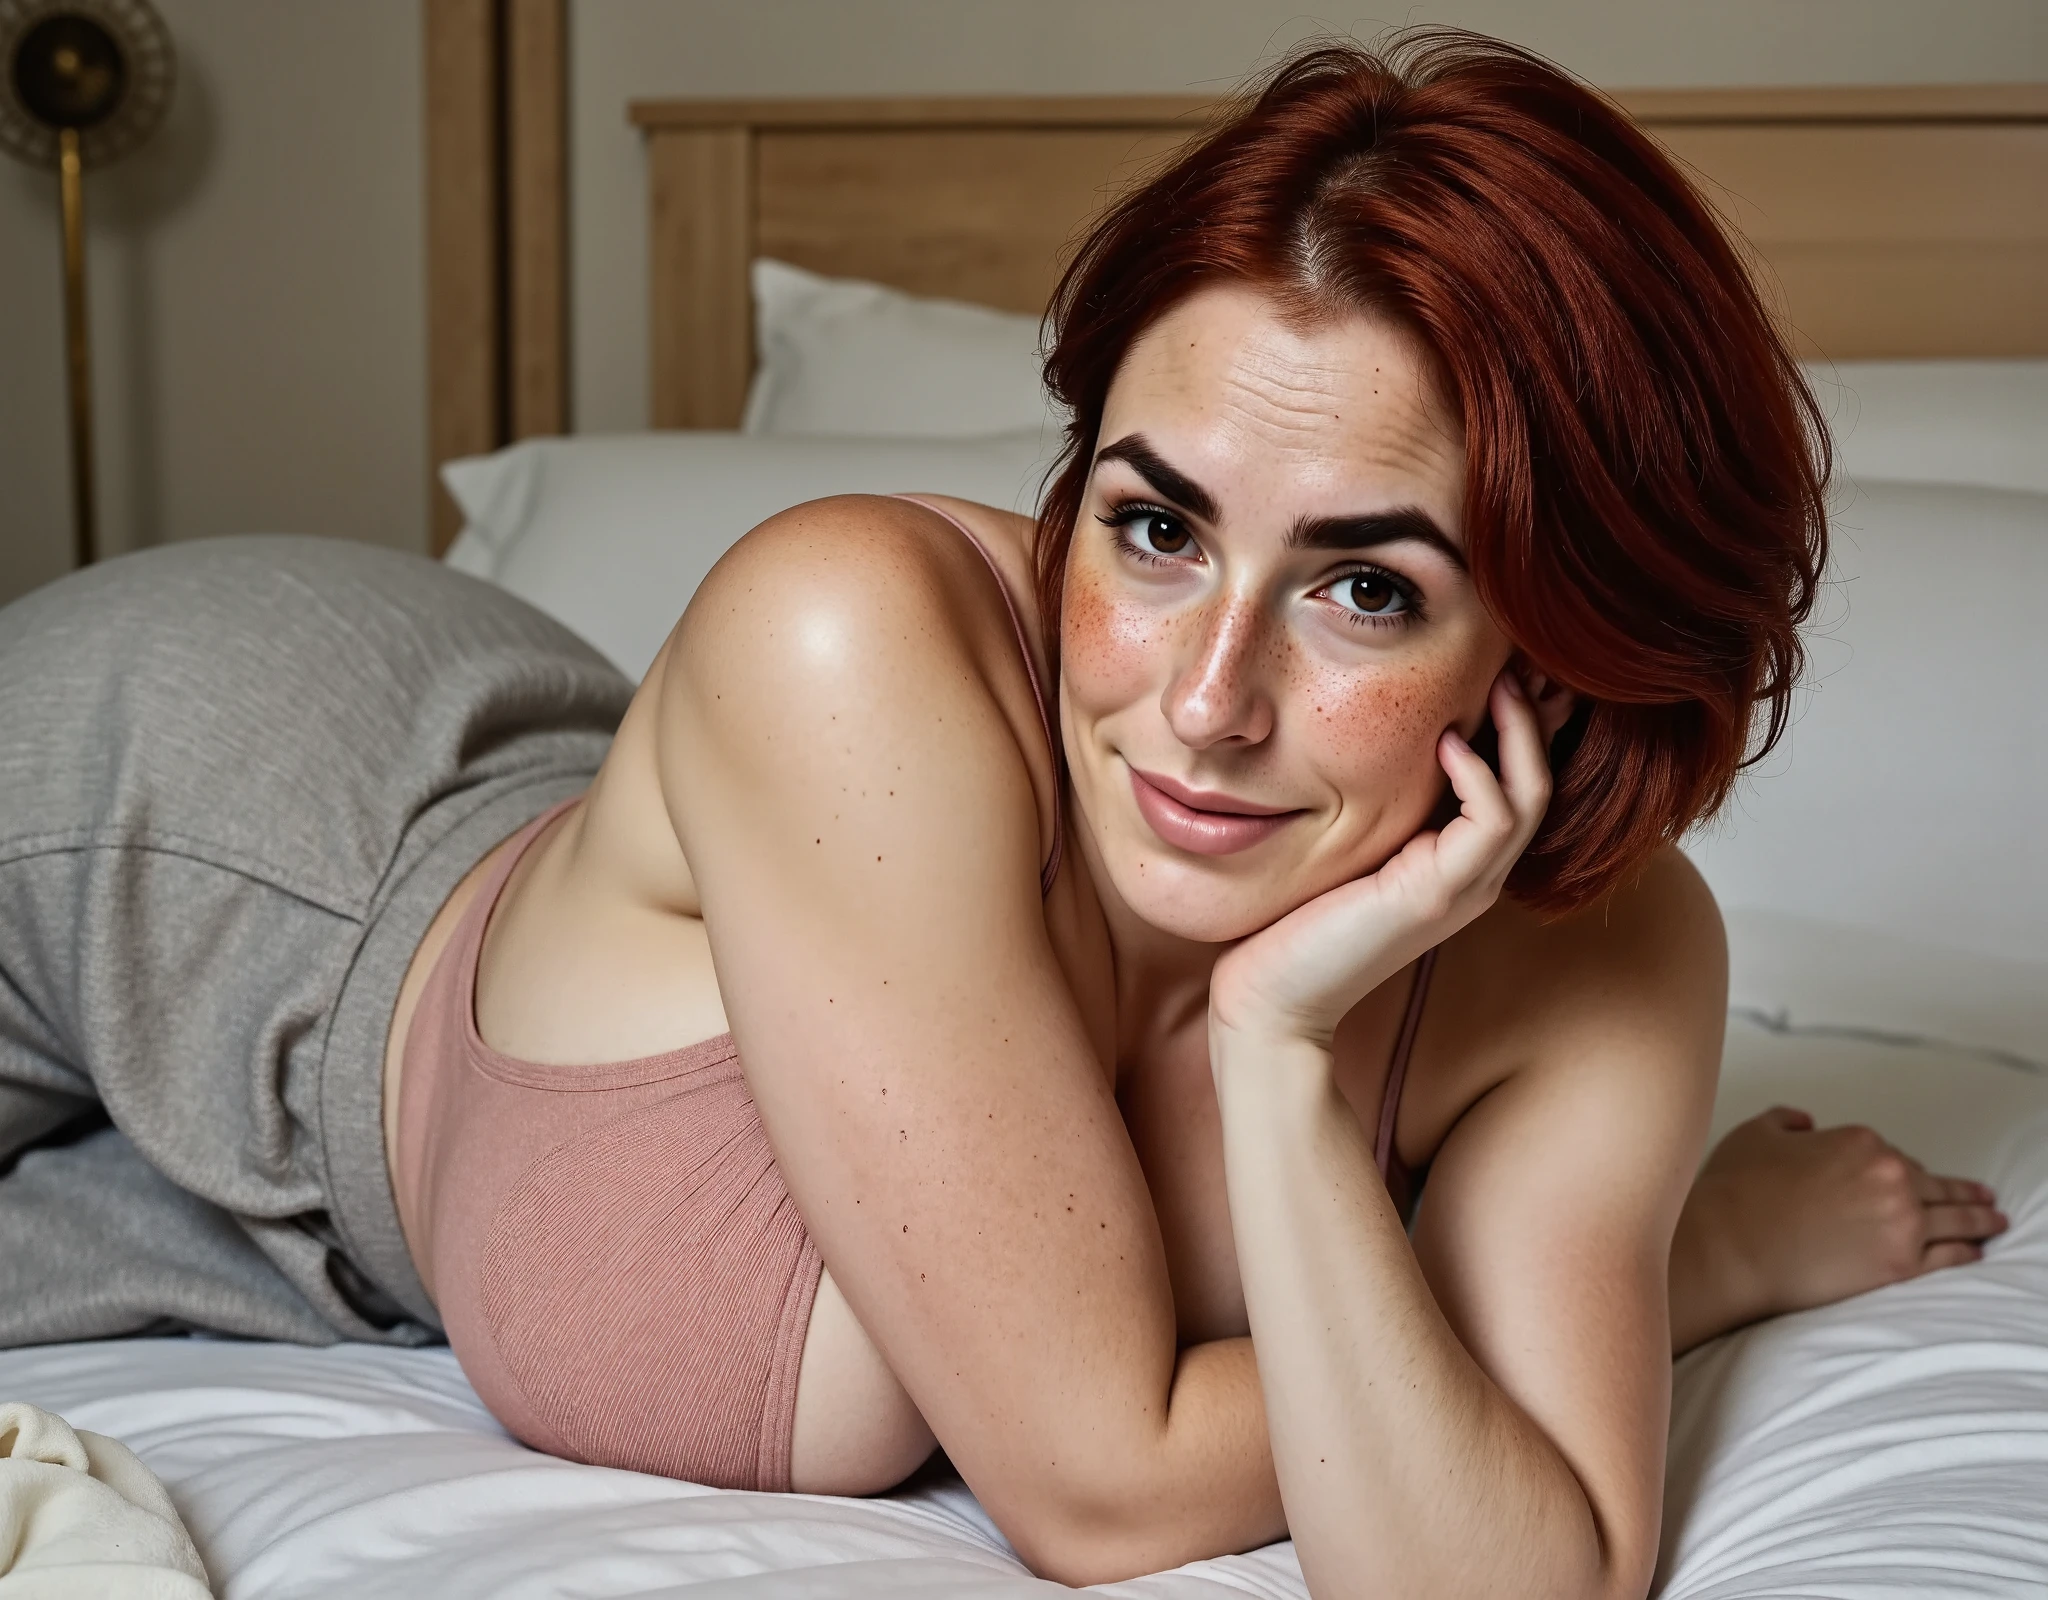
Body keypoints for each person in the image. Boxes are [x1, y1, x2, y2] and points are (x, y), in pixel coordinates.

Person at [0, 28, 2007, 1598]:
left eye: (1364, 584)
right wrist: (1681, 1268)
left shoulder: (1612, 954)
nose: (1203, 703)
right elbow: (1096, 1481)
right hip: (208, 828)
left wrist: (1285, 1053)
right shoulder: (846, 636)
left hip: (474, 1088)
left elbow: (1514, 1566)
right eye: (1151, 527)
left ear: (1556, 651)